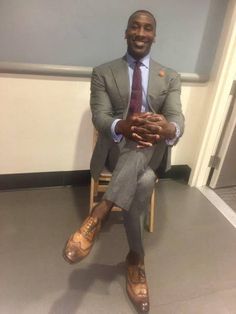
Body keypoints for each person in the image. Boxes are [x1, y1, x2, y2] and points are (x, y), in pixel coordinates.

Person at [63, 9, 184, 313]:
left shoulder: (169, 76)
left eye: (147, 29)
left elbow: (175, 116)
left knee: (147, 139)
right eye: (135, 27)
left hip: (152, 148)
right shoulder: (103, 72)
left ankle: (100, 212)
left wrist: (169, 128)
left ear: (154, 35)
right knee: (143, 180)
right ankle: (136, 259)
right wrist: (123, 126)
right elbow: (101, 117)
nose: (141, 33)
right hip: (117, 148)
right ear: (126, 32)